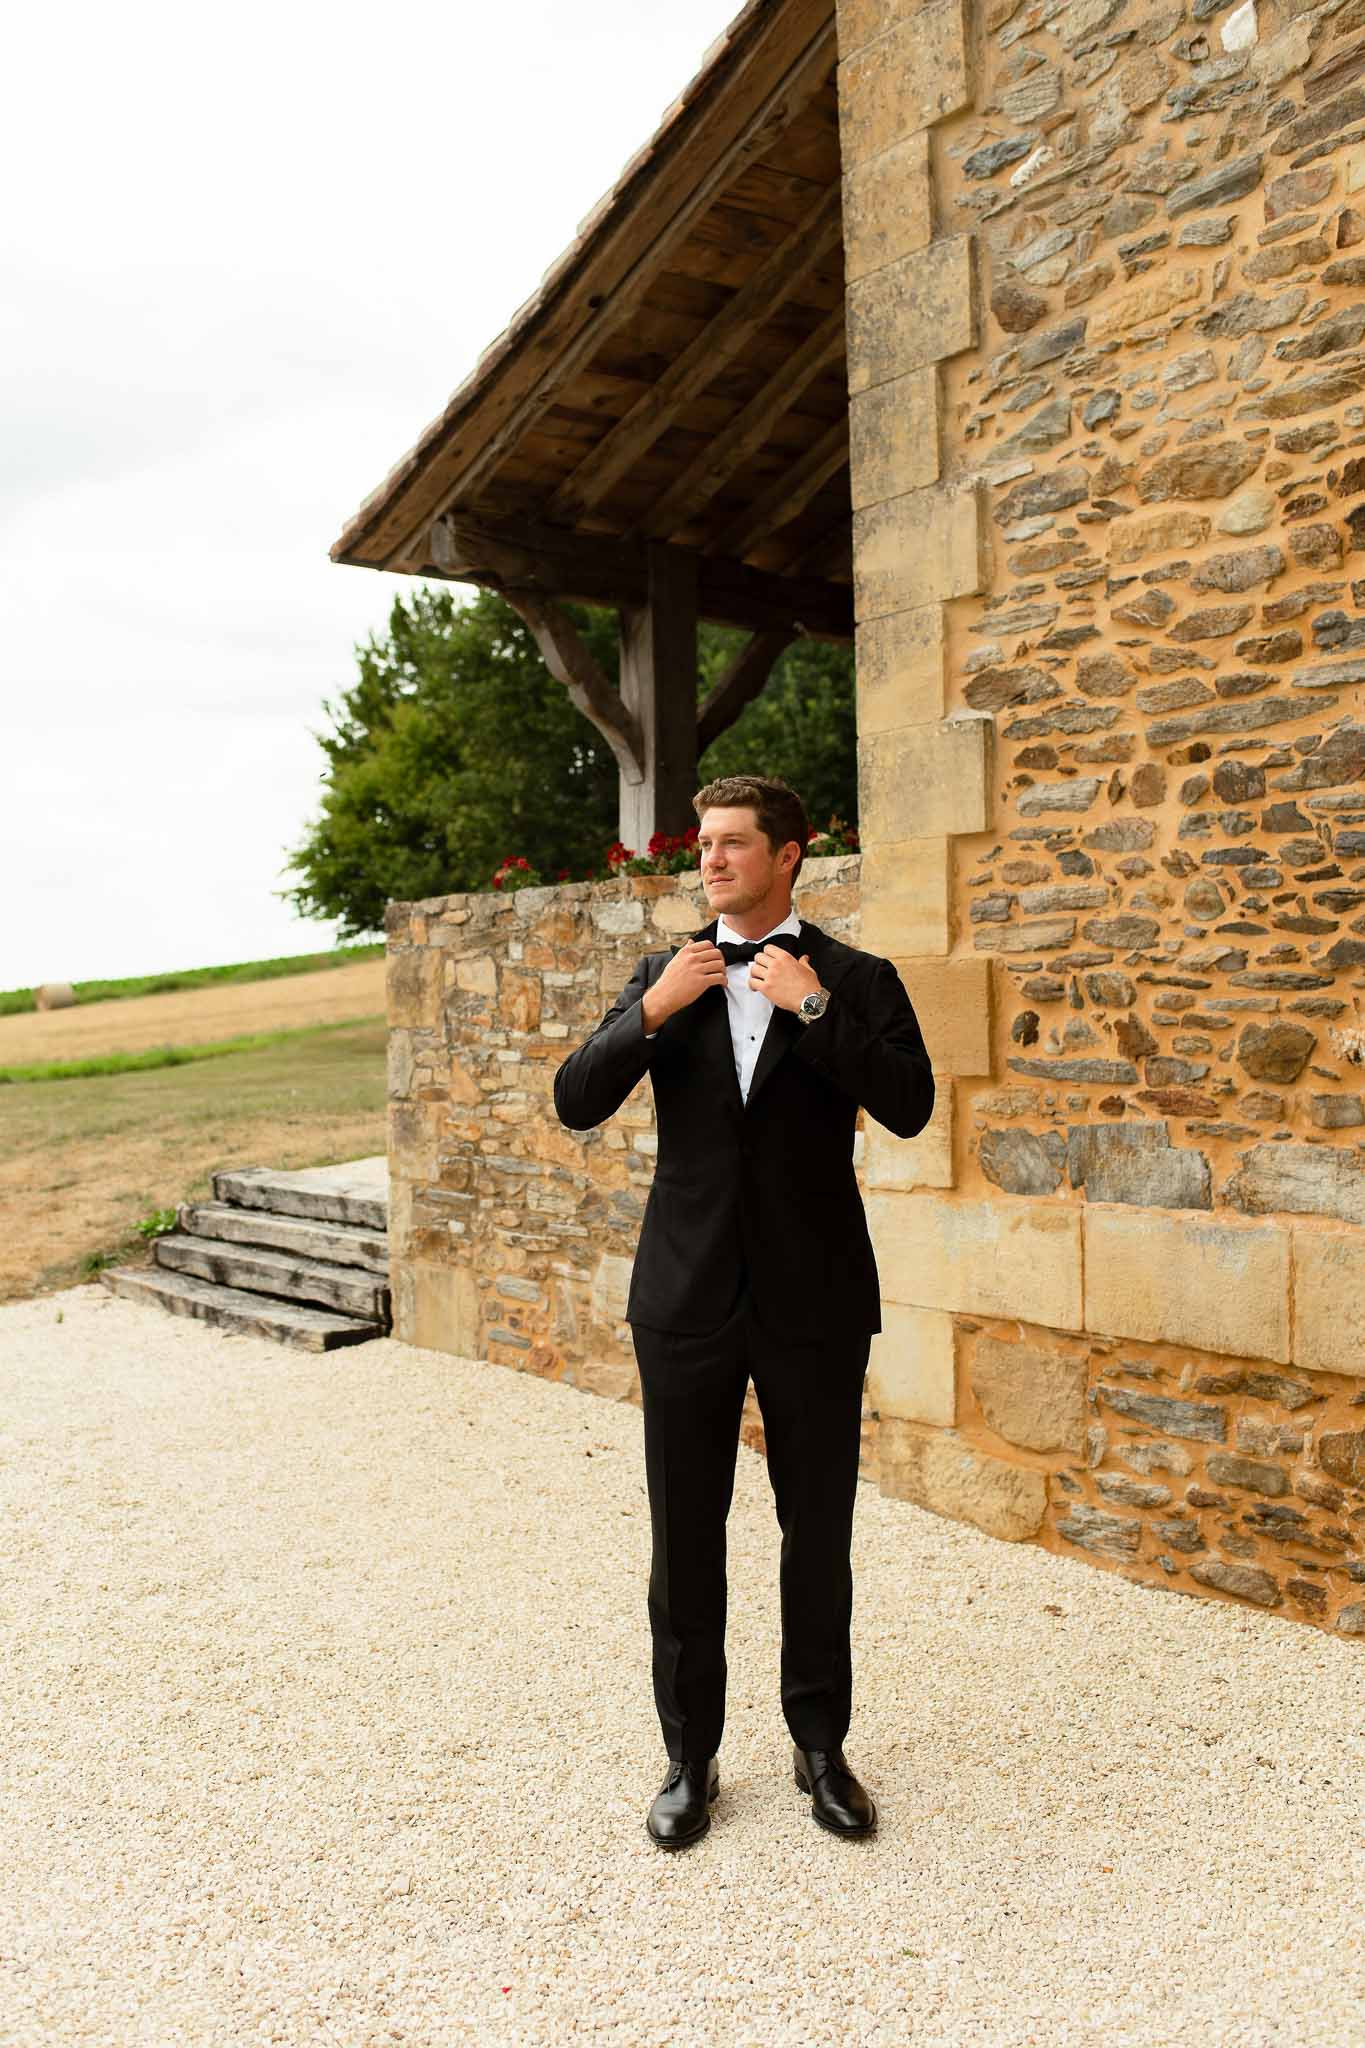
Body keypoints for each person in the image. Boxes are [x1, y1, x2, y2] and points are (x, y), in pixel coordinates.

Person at [553, 774, 935, 1849]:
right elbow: (575, 1096)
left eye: (732, 843)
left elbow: (910, 1104)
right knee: (684, 1536)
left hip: (815, 1298)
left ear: (789, 855)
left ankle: (822, 1747)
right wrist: (654, 1009)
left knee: (817, 1533)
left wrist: (810, 1006)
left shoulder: (856, 978)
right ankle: (690, 1756)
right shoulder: (663, 975)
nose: (710, 860)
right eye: (704, 846)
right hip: (684, 1297)